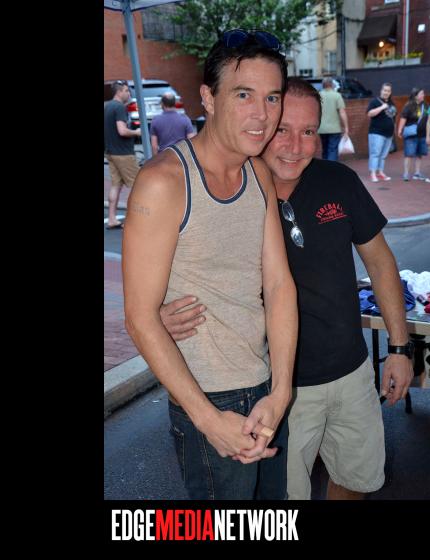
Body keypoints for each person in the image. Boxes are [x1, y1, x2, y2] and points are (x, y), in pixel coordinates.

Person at [161, 78, 414, 500]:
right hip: (274, 389)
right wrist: (160, 313)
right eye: (283, 130)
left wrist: (400, 349)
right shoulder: (229, 194)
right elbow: (173, 273)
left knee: (355, 481)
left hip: (351, 374)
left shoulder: (338, 181)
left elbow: (381, 262)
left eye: (309, 131)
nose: (296, 146)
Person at [122, 30, 298, 500]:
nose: (262, 114)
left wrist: (281, 391)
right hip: (208, 398)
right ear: (208, 98)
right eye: (243, 95)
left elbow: (278, 284)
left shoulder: (258, 172)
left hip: (264, 383)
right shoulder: (164, 182)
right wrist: (208, 420)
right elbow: (139, 317)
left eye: (272, 97)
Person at [104, 80, 142, 229]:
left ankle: (112, 219)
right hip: (124, 153)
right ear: (119, 92)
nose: (128, 93)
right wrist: (136, 132)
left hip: (111, 152)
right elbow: (122, 131)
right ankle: (132, 221)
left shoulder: (107, 106)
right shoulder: (119, 107)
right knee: (137, 185)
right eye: (126, 90)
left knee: (116, 185)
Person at [397, 87, 430, 183]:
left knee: (419, 154)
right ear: (416, 96)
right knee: (409, 154)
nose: (424, 95)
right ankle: (406, 173)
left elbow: (429, 118)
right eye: (422, 93)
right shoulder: (409, 106)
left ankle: (417, 173)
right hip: (411, 134)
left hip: (422, 134)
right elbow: (403, 118)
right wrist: (400, 130)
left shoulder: (426, 105)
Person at [366, 82, 396, 182]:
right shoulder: (374, 101)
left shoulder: (391, 103)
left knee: (383, 155)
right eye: (384, 90)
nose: (386, 92)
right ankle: (373, 174)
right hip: (377, 133)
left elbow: (393, 118)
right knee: (375, 153)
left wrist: (394, 130)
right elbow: (369, 113)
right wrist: (382, 107)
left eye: (388, 91)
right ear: (381, 90)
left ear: (390, 92)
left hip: (389, 134)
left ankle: (380, 172)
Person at [317, 77, 349, 161]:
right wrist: (346, 127)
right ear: (331, 84)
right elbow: (342, 112)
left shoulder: (318, 95)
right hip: (335, 128)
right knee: (333, 150)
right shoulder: (337, 95)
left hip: (322, 128)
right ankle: (331, 167)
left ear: (323, 85)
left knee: (325, 149)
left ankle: (325, 166)